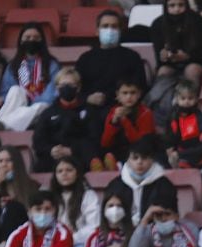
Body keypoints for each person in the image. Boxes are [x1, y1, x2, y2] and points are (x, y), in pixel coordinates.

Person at [75, 9, 148, 147]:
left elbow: (141, 87)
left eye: (114, 26)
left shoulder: (132, 57)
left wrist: (124, 101)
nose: (110, 30)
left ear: (121, 30)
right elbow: (77, 90)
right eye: (105, 26)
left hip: (124, 108)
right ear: (97, 30)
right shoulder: (85, 59)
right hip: (91, 110)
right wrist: (88, 98)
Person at [0, 23, 60, 132]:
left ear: (42, 41)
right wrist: (1, 99)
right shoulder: (14, 65)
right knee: (15, 90)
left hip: (41, 109)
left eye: (36, 38)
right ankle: (1, 125)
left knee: (41, 105)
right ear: (21, 41)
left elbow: (52, 95)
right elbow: (6, 93)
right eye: (27, 37)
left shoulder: (52, 65)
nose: (31, 40)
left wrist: (29, 106)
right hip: (19, 107)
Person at [31, 68, 94, 173]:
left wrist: (72, 150)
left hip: (79, 159)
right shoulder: (48, 113)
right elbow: (38, 141)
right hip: (52, 160)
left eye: (70, 84)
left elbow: (93, 138)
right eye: (63, 85)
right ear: (57, 88)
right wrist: (51, 150)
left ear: (78, 87)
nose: (67, 88)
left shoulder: (89, 111)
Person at [127, 190, 199, 247]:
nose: (163, 218)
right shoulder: (150, 229)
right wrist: (144, 221)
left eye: (167, 214)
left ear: (176, 215)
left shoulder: (189, 229)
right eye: (158, 215)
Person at [108, 135, 178, 225]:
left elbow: (167, 217)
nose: (139, 162)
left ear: (152, 160)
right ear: (128, 161)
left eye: (144, 158)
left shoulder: (164, 185)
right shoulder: (116, 185)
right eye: (135, 158)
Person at [150, 0, 202, 88]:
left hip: (197, 61)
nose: (177, 9)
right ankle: (163, 101)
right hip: (171, 63)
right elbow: (158, 55)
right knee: (163, 72)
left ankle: (190, 99)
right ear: (166, 7)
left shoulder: (198, 21)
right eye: (172, 6)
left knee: (191, 70)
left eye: (180, 5)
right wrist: (164, 56)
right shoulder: (158, 24)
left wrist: (187, 56)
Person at [48, 157, 99, 247]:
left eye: (69, 170)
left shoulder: (88, 195)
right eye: (60, 171)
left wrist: (71, 239)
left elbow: (93, 227)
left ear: (77, 173)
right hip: (52, 243)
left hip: (79, 243)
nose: (64, 174)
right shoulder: (48, 197)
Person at [98, 79, 155, 167]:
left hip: (140, 152)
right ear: (118, 95)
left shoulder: (146, 113)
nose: (129, 97)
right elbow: (105, 143)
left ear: (139, 94)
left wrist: (124, 121)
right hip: (119, 150)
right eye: (125, 93)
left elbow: (140, 143)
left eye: (132, 93)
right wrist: (114, 122)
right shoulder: (113, 112)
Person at [164, 79, 202, 169]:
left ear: (196, 99)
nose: (186, 102)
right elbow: (169, 140)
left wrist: (180, 154)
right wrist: (169, 149)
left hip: (200, 159)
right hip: (179, 156)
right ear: (177, 99)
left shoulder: (201, 119)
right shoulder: (173, 117)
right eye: (183, 98)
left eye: (190, 98)